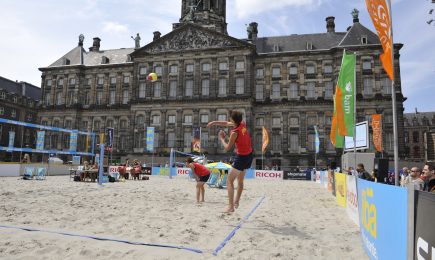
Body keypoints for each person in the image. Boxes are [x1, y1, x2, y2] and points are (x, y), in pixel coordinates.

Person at [207, 110, 253, 213]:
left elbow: (227, 148)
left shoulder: (234, 132)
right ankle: (236, 201)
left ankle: (230, 206)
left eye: (230, 118)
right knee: (240, 181)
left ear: (233, 120)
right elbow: (226, 123)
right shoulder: (242, 124)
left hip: (241, 157)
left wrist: (222, 139)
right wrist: (214, 122)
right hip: (249, 155)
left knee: (229, 181)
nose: (229, 120)